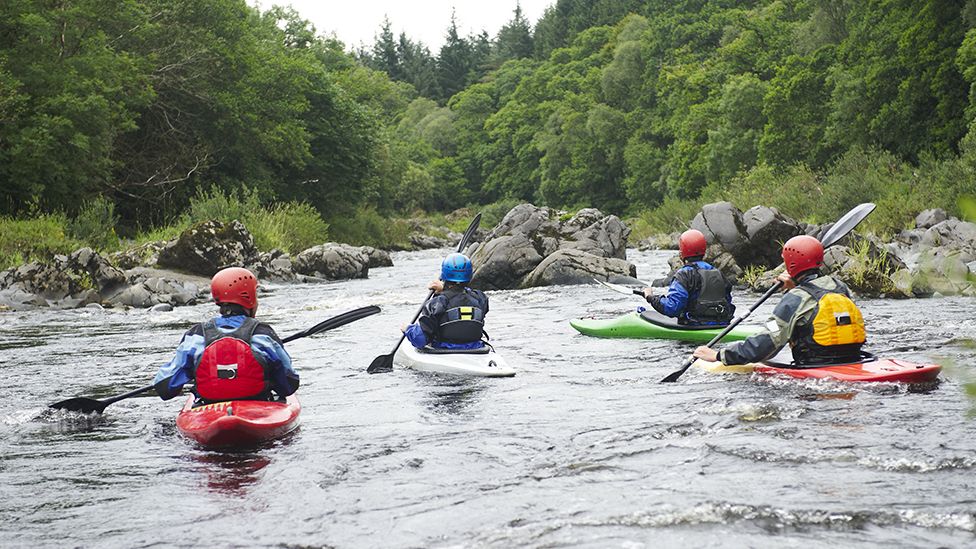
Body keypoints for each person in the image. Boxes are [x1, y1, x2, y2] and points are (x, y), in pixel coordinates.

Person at [692, 235, 866, 366]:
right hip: (854, 360)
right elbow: (814, 302)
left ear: (791, 264)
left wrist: (718, 355)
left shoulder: (794, 299)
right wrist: (794, 287)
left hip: (815, 366)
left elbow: (765, 345)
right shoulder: (840, 287)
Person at [153, 267, 299, 403]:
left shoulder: (196, 336)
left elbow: (164, 387)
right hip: (258, 406)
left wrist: (192, 371)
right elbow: (289, 384)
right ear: (250, 298)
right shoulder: (264, 335)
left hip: (209, 409)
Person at [641, 229, 734, 326]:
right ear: (704, 250)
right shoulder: (717, 272)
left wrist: (650, 297)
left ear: (682, 252)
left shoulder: (684, 275)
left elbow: (672, 308)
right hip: (722, 324)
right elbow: (728, 301)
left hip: (695, 325)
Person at [403, 252, 488, 350]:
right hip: (476, 349)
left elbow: (420, 341)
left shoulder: (437, 303)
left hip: (445, 350)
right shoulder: (481, 298)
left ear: (444, 273)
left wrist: (408, 329)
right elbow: (463, 295)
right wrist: (444, 290)